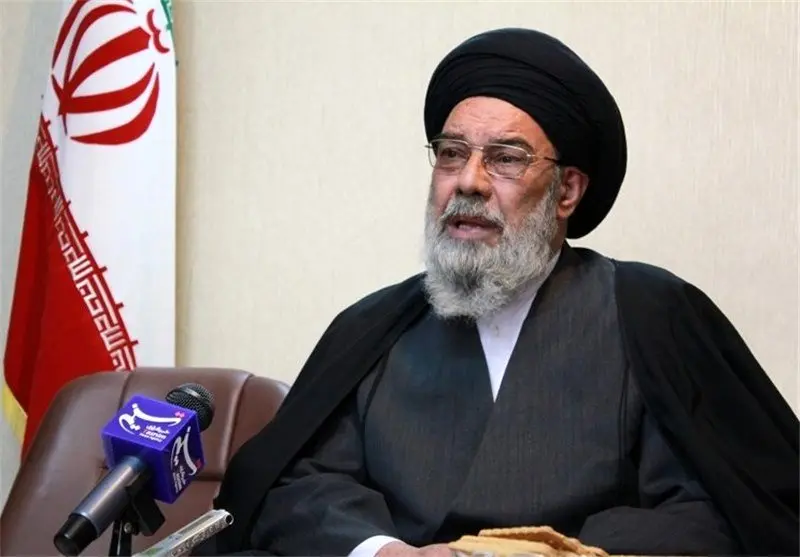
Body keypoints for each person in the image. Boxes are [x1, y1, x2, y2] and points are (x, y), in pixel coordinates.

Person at [202, 28, 799, 557]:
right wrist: (382, 551)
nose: (468, 181)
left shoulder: (647, 313)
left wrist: (542, 552)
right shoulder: (375, 327)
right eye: (451, 154)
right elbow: (298, 486)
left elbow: (715, 510)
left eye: (506, 159)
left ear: (567, 191)